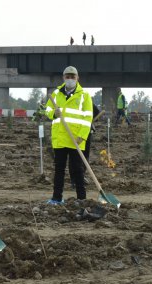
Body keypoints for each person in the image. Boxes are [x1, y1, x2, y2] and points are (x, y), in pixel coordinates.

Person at [44, 66, 93, 204]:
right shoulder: (56, 94)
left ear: (77, 78)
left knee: (78, 170)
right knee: (59, 170)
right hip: (60, 138)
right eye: (67, 77)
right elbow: (47, 109)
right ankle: (57, 197)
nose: (70, 79)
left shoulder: (84, 96)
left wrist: (82, 136)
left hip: (76, 139)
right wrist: (53, 113)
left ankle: (81, 199)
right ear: (63, 78)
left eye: (73, 77)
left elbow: (87, 118)